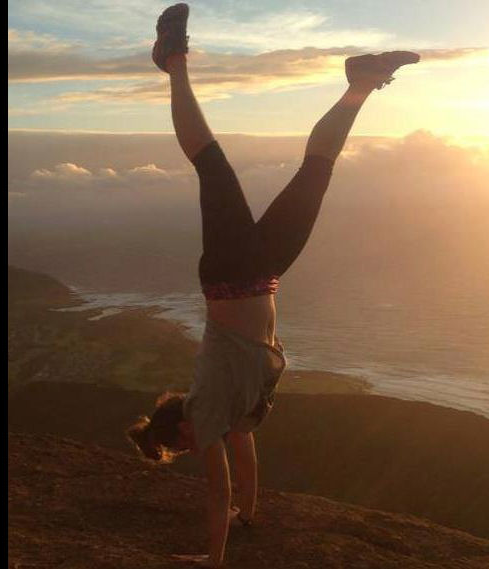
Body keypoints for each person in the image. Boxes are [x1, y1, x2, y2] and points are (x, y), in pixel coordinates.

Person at [127, 4, 420, 567]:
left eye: (181, 445)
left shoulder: (205, 412)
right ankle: (360, 83)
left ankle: (173, 59)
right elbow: (246, 458)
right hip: (264, 273)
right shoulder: (233, 416)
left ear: (182, 426)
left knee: (213, 165)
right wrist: (251, 514)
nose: (193, 449)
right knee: (317, 171)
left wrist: (213, 560)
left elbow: (218, 490)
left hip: (230, 274)